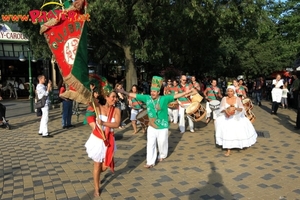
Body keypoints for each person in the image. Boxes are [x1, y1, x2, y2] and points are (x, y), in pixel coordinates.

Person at [117, 76, 197, 168]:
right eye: (151, 91)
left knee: (162, 142)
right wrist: (123, 92)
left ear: (158, 92)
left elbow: (175, 96)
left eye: (154, 92)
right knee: (150, 144)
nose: (152, 93)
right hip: (151, 126)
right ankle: (150, 162)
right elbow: (134, 95)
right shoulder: (147, 98)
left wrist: (186, 92)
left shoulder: (164, 99)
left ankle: (162, 155)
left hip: (162, 127)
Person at [84, 84, 121, 197]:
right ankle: (96, 188)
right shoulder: (98, 107)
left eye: (115, 97)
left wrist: (103, 123)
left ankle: (97, 175)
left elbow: (116, 124)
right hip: (97, 139)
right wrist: (91, 90)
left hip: (109, 139)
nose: (115, 99)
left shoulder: (116, 110)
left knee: (104, 167)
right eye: (113, 97)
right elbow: (89, 101)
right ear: (106, 96)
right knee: (97, 164)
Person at [215, 86, 257, 156]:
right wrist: (226, 110)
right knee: (227, 133)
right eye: (228, 91)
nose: (229, 92)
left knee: (238, 132)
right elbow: (221, 109)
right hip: (227, 117)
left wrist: (235, 108)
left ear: (234, 92)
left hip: (236, 117)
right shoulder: (224, 98)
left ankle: (239, 144)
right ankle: (228, 149)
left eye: (231, 91)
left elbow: (241, 109)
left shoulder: (237, 99)